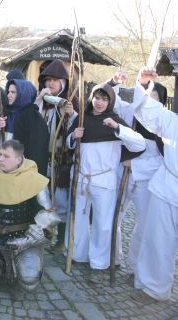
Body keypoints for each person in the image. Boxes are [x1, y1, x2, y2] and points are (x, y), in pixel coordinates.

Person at [66, 82, 145, 282]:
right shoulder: (82, 118)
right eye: (97, 98)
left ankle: (99, 263)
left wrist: (117, 127)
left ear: (110, 101)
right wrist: (73, 136)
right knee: (78, 218)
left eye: (104, 99)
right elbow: (68, 143)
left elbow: (139, 144)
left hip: (104, 179)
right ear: (91, 98)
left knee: (103, 223)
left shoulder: (115, 120)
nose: (99, 102)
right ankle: (78, 254)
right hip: (81, 177)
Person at [0, 140, 60, 293]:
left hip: (22, 237)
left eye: (6, 156)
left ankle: (20, 269)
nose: (0, 159)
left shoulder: (34, 180)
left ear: (18, 159)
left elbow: (48, 222)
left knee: (29, 280)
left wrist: (26, 241)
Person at [108, 71, 168, 277]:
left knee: (143, 225)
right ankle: (112, 258)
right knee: (113, 216)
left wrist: (134, 164)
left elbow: (163, 161)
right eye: (146, 97)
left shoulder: (164, 128)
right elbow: (113, 102)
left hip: (145, 181)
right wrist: (114, 82)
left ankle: (136, 268)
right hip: (121, 173)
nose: (148, 103)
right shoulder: (130, 112)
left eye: (154, 99)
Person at [129, 67, 177, 302]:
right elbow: (145, 111)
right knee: (158, 240)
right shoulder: (173, 122)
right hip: (168, 187)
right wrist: (142, 83)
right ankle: (153, 288)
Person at [34, 59, 76, 250]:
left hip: (61, 160)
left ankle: (60, 241)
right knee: (43, 197)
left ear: (63, 82)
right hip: (43, 157)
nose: (50, 83)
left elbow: (75, 129)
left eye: (54, 80)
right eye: (47, 80)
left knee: (60, 200)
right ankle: (45, 232)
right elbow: (33, 117)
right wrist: (40, 99)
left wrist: (71, 114)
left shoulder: (70, 103)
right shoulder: (43, 102)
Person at [0, 79, 50, 174]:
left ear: (23, 94)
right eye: (8, 92)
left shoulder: (33, 117)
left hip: (20, 169)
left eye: (13, 92)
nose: (8, 95)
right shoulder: (2, 109)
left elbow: (37, 150)